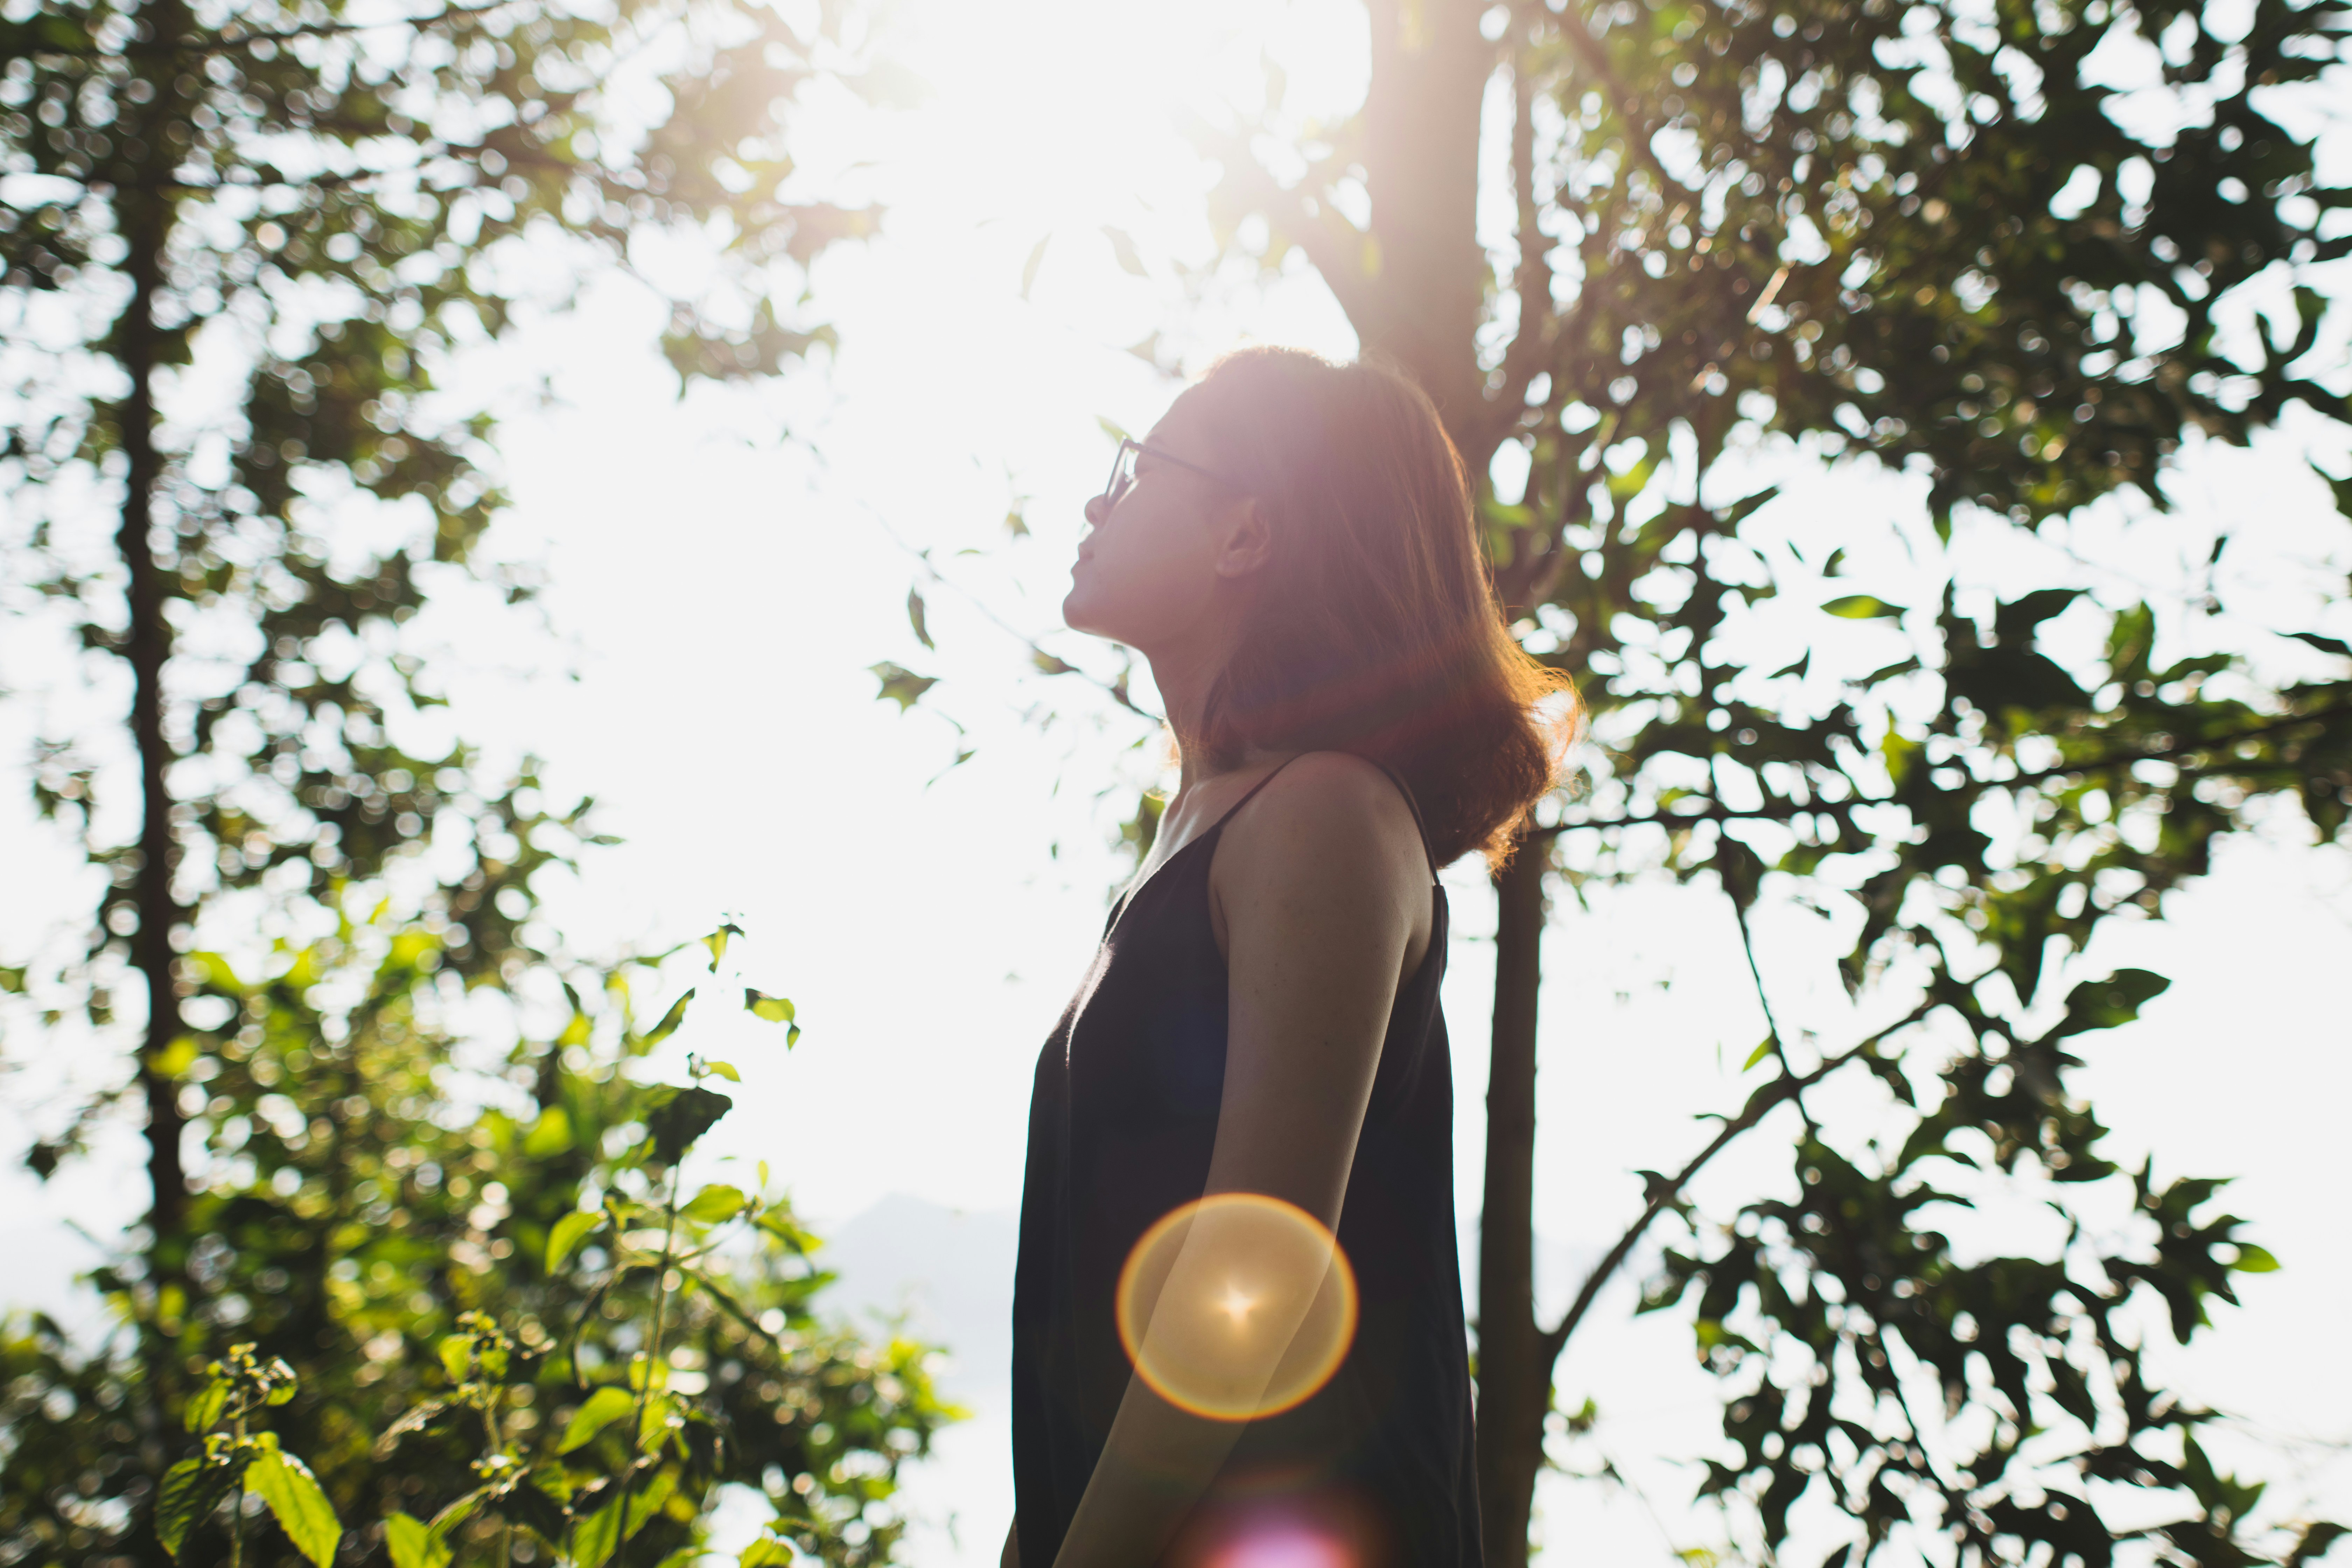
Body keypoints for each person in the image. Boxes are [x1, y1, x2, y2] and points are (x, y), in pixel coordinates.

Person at [1007, 347, 1577, 1568]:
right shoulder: (1193, 839)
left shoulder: (1323, 817)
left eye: (1139, 470)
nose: (1098, 504)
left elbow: (1252, 1258)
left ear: (1244, 536)